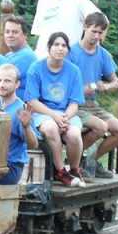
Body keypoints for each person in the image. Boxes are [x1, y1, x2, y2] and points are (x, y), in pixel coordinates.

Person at [68, 12, 118, 179]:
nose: (96, 36)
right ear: (85, 28)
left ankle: (91, 161)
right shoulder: (71, 52)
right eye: (93, 31)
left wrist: (106, 86)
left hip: (93, 105)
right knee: (100, 127)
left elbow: (115, 82)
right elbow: (62, 82)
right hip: (74, 104)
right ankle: (75, 162)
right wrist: (81, 89)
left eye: (100, 33)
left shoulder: (103, 55)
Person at [24, 32, 86, 187]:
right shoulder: (36, 68)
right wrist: (54, 117)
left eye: (64, 45)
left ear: (68, 50)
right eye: (56, 45)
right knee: (51, 128)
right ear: (49, 48)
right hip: (42, 112)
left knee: (73, 133)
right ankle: (60, 172)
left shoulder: (74, 71)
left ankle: (74, 169)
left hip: (66, 113)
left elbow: (74, 102)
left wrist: (64, 117)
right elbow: (32, 100)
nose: (60, 48)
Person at [31, 0, 104, 59]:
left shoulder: (78, 1)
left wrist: (94, 48)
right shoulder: (43, 1)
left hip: (68, 60)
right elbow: (38, 33)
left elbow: (103, 21)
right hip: (42, 58)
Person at [0, 64, 39, 184]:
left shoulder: (20, 110)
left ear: (17, 84)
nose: (1, 85)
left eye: (7, 81)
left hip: (9, 167)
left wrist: (26, 127)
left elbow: (33, 145)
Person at [3, 15, 37, 101]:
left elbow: (0, 83)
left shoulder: (27, 56)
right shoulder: (9, 55)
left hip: (20, 107)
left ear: (25, 35)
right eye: (7, 32)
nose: (10, 35)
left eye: (14, 32)